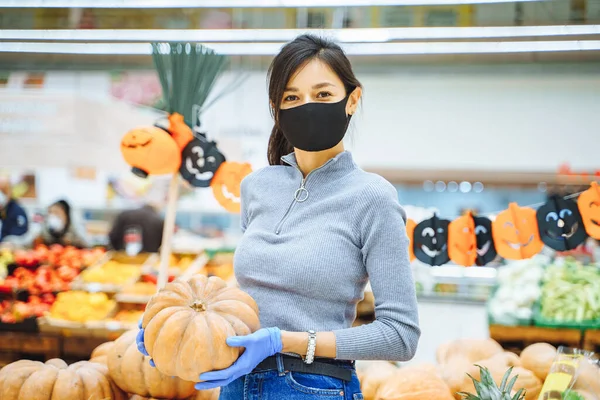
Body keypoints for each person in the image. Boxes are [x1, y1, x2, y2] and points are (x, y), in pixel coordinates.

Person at [137, 35, 420, 399]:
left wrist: (283, 341)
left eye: (322, 94)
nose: (307, 106)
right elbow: (248, 299)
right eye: (292, 97)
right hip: (236, 382)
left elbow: (401, 336)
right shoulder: (257, 187)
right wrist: (178, 327)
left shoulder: (373, 198)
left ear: (352, 100)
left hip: (314, 386)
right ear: (277, 109)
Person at [0, 178, 29, 243]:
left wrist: (9, 243)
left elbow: (20, 234)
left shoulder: (17, 211)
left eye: (3, 191)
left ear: (10, 192)